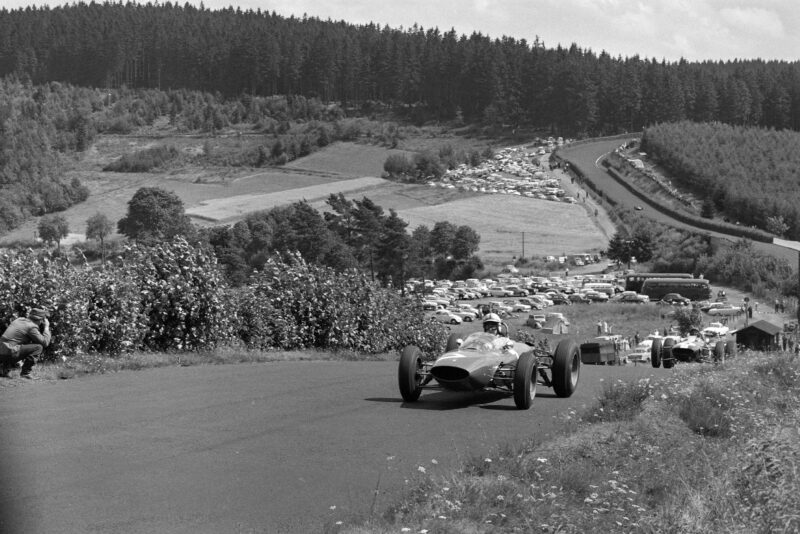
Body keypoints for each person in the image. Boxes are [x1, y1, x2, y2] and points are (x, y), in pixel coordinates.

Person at [0, 308, 52, 379]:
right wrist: (46, 327)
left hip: (1, 351)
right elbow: (45, 342)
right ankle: (25, 373)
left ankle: (3, 369)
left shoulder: (18, 320)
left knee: (16, 344)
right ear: (42, 320)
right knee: (38, 347)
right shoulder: (32, 327)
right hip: (9, 352)